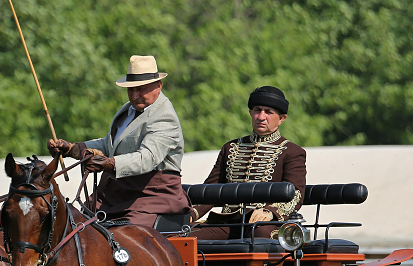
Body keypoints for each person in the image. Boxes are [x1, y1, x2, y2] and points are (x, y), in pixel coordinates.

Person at [48, 54, 191, 228]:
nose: (135, 95)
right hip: (116, 195)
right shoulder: (129, 110)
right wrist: (73, 149)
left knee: (124, 236)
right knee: (73, 226)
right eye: (131, 90)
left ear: (158, 86)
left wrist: (108, 164)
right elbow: (110, 145)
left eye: (141, 89)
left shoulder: (164, 117)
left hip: (152, 197)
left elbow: (147, 158)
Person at [193, 85, 307, 239]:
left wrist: (269, 212)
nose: (261, 117)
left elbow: (296, 194)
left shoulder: (292, 152)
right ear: (250, 113)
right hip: (228, 223)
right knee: (185, 235)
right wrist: (189, 215)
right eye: (257, 110)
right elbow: (210, 190)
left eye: (268, 112)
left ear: (281, 118)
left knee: (258, 232)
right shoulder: (230, 148)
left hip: (265, 224)